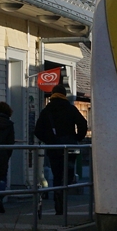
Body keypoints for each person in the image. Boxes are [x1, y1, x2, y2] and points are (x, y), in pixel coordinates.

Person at [34, 83, 86, 216]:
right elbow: (83, 123)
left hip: (54, 148)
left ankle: (58, 194)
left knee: (57, 174)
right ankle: (62, 193)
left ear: (52, 95)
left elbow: (37, 131)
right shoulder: (70, 108)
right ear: (64, 95)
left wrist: (50, 140)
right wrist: (76, 137)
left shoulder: (47, 110)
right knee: (68, 174)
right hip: (70, 146)